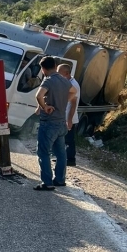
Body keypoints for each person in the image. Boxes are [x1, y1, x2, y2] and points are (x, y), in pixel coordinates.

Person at [34, 56, 77, 190]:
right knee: (61, 153)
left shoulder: (48, 81)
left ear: (43, 69)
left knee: (43, 152)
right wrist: (64, 101)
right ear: (54, 65)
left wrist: (44, 106)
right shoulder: (64, 81)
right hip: (61, 123)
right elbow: (74, 92)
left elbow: (38, 95)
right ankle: (60, 180)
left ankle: (47, 183)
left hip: (49, 123)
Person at [57, 63, 80, 167]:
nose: (57, 75)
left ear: (66, 73)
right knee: (62, 138)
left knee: (69, 140)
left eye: (59, 73)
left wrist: (69, 120)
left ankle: (71, 159)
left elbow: (73, 103)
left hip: (69, 117)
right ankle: (62, 157)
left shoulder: (73, 85)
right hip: (63, 116)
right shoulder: (66, 82)